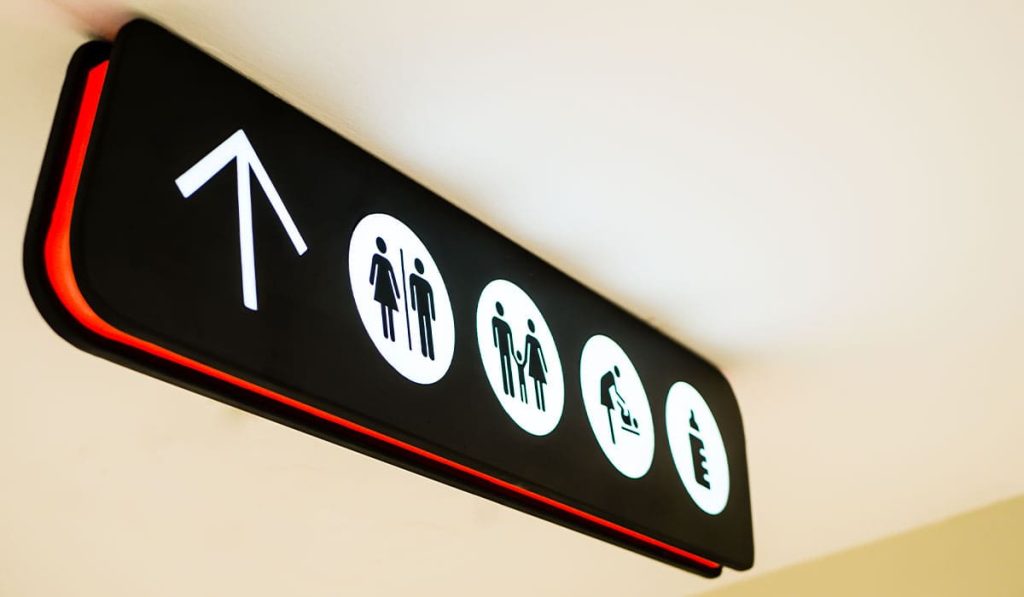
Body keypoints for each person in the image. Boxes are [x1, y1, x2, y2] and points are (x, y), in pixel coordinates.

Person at [369, 237, 400, 341]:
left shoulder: (385, 261)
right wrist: (371, 280)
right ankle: (387, 333)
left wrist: (397, 292)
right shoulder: (377, 257)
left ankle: (391, 334)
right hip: (381, 284)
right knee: (384, 308)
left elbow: (393, 277)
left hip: (386, 285)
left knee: (388, 309)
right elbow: (373, 270)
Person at [408, 258, 436, 359]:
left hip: (425, 308)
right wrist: (413, 304)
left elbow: (431, 299)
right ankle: (425, 350)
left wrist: (433, 314)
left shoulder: (424, 283)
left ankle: (430, 351)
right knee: (423, 328)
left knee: (427, 328)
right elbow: (412, 292)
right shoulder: (413, 278)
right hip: (420, 308)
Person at [522, 319, 548, 411]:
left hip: (535, 362)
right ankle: (540, 404)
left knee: (538, 382)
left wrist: (545, 367)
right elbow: (527, 350)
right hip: (533, 361)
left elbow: (540, 354)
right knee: (536, 382)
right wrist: (525, 361)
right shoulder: (529, 338)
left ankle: (541, 405)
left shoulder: (532, 339)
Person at [491, 302, 515, 396]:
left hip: (506, 348)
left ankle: (510, 390)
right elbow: (495, 333)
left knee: (507, 366)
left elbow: (510, 339)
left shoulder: (502, 323)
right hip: (502, 348)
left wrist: (511, 351)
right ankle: (507, 388)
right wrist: (496, 345)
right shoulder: (495, 320)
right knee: (505, 366)